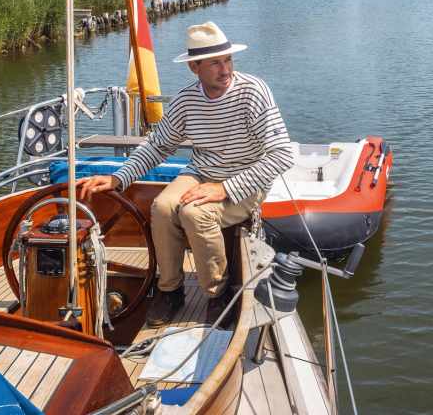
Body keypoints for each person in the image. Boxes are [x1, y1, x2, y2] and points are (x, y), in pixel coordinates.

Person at [80, 21, 293, 326]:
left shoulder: (253, 92)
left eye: (228, 60)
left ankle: (218, 294)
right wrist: (119, 177)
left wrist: (224, 189)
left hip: (246, 177)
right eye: (215, 63)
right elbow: (158, 146)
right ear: (195, 67)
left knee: (195, 214)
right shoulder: (186, 100)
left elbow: (282, 154)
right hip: (201, 171)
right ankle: (170, 291)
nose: (225, 69)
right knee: (163, 207)